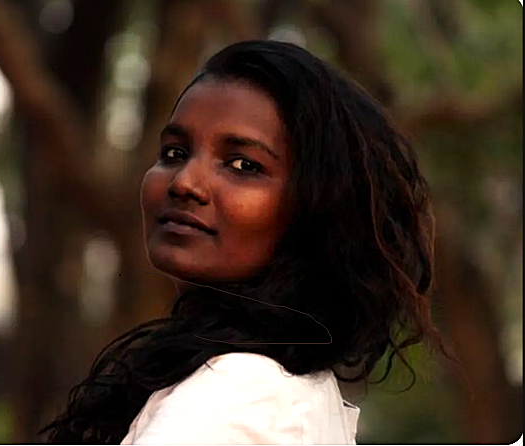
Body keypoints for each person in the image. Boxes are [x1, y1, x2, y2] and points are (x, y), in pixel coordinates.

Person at [41, 40, 449, 444]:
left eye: (242, 165)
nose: (185, 182)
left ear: (317, 207)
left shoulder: (240, 397)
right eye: (175, 152)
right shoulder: (278, 388)